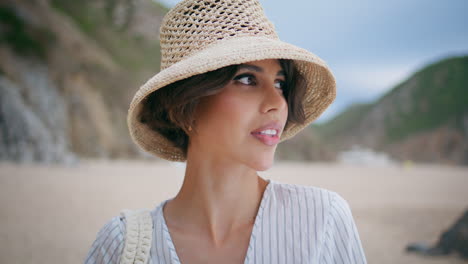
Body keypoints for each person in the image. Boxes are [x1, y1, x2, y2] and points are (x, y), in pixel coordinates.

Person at [85, 0, 367, 263]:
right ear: (186, 106)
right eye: (247, 79)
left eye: (280, 83)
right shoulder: (124, 246)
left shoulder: (322, 221)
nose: (277, 103)